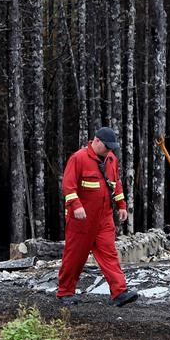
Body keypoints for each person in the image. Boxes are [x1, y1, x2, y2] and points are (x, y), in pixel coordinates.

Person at [57, 126, 139, 307]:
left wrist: (121, 205)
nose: (109, 150)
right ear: (96, 141)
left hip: (104, 219)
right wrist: (76, 205)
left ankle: (119, 292)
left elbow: (116, 184)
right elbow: (68, 186)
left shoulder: (111, 160)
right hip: (81, 221)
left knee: (109, 254)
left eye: (111, 147)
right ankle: (65, 292)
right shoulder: (78, 159)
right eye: (106, 146)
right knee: (75, 257)